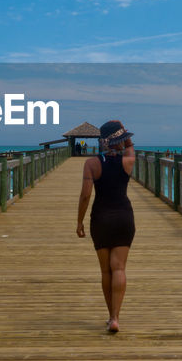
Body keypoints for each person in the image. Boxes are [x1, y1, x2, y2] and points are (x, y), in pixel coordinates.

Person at [77, 120, 136, 333]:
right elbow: (130, 146)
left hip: (101, 218)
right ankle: (115, 318)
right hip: (124, 218)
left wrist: (79, 221)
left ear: (102, 142)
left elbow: (85, 196)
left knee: (106, 271)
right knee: (119, 267)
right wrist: (123, 132)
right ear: (119, 140)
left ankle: (110, 315)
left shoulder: (92, 164)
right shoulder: (127, 161)